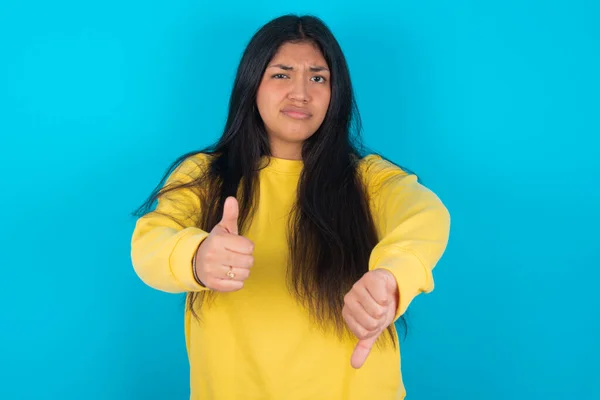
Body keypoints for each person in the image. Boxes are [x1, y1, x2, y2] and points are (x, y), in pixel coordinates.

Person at [131, 14, 450, 400]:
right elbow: (150, 241)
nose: (301, 93)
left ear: (336, 94)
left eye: (318, 78)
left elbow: (427, 215)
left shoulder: (368, 180)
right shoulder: (204, 175)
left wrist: (392, 279)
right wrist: (196, 257)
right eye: (281, 75)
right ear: (252, 84)